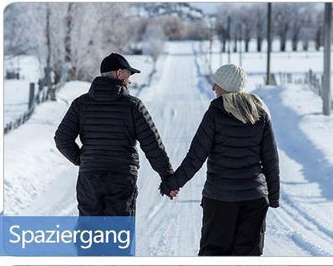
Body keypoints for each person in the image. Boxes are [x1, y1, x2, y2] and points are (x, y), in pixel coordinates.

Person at [160, 64, 280, 255]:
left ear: (225, 86)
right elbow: (271, 161)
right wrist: (272, 197)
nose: (213, 88)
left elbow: (196, 156)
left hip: (220, 199)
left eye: (216, 83)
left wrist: (172, 184)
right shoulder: (259, 113)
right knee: (248, 257)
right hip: (255, 200)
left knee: (213, 255)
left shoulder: (216, 113)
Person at [54, 53, 173, 217]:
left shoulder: (81, 104)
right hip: (121, 179)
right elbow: (152, 145)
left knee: (90, 235)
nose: (129, 80)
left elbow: (62, 138)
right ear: (119, 73)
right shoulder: (133, 106)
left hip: (90, 178)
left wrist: (83, 159)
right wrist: (167, 177)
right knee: (118, 236)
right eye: (128, 74)